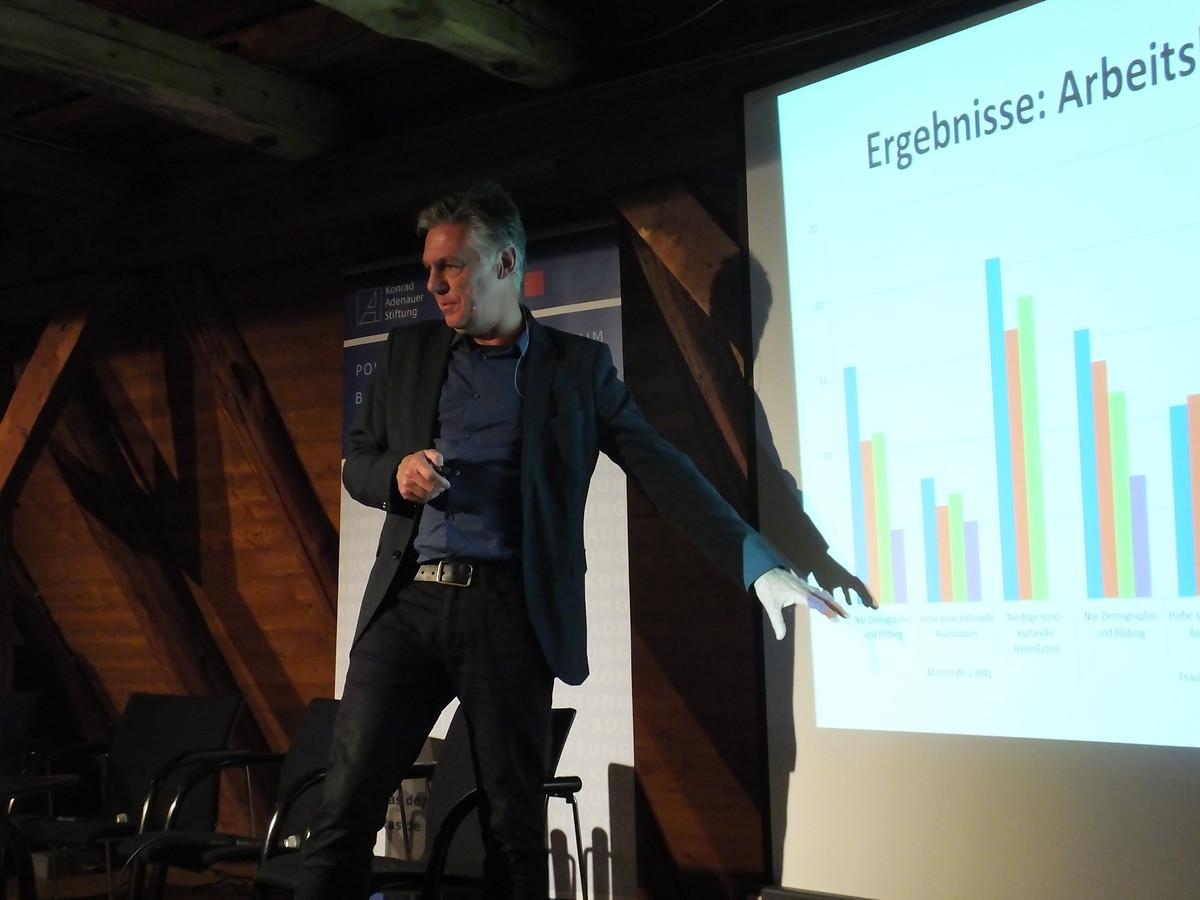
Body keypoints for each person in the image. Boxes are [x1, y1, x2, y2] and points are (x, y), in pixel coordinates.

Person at [297, 182, 874, 899]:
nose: (434, 284)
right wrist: (397, 473)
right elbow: (358, 462)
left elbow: (666, 472)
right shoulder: (409, 352)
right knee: (343, 810)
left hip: (510, 615)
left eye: (451, 266)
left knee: (512, 831)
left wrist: (759, 567)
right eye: (429, 269)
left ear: (505, 263)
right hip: (409, 608)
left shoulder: (576, 369)